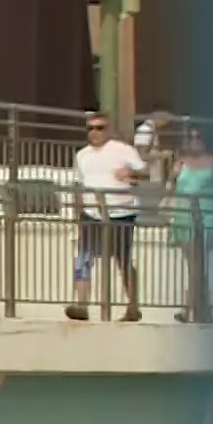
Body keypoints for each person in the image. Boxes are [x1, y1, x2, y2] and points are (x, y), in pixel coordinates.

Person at [67, 113, 147, 322]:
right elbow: (79, 184)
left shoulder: (123, 150)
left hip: (121, 213)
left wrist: (131, 173)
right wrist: (78, 210)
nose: (94, 132)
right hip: (91, 213)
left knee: (123, 260)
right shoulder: (82, 155)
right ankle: (81, 305)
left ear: (109, 130)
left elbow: (145, 173)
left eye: (100, 128)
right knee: (83, 258)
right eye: (90, 128)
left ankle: (133, 306)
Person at [169, 128, 213, 323]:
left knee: (196, 264)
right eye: (191, 137)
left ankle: (187, 309)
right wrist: (172, 176)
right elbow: (171, 187)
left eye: (198, 137)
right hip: (182, 216)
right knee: (196, 266)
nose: (194, 141)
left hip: (206, 216)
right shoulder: (180, 163)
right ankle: (205, 313)